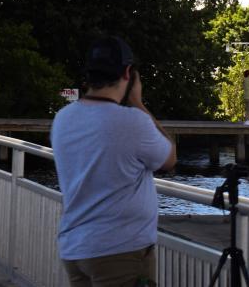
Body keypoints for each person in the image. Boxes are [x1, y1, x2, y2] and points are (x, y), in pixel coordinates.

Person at [51, 37, 176, 287]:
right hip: (119, 251)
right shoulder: (132, 121)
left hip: (75, 248)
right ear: (128, 73)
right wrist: (139, 103)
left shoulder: (63, 118)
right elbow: (169, 159)